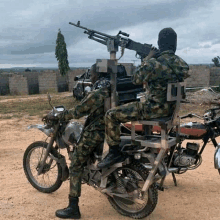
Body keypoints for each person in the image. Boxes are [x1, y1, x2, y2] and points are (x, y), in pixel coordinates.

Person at [98, 27, 190, 169]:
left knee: (110, 115)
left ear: (159, 43)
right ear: (175, 44)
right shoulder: (183, 65)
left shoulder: (153, 63)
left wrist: (147, 58)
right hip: (170, 111)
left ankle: (114, 152)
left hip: (152, 109)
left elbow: (136, 79)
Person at [55, 64, 110, 219]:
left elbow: (80, 110)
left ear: (97, 75)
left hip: (97, 131)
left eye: (91, 74)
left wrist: (63, 115)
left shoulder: (100, 90)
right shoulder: (113, 85)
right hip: (111, 130)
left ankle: (73, 207)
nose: (90, 77)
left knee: (76, 165)